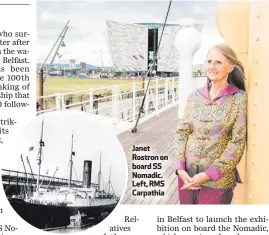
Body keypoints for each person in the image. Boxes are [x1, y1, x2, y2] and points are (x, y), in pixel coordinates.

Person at [175, 44, 247, 204]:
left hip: (218, 181)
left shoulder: (239, 99)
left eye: (218, 62)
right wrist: (180, 168)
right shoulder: (194, 97)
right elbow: (182, 132)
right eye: (209, 61)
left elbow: (237, 142)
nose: (212, 67)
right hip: (187, 176)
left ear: (230, 68)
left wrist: (208, 174)